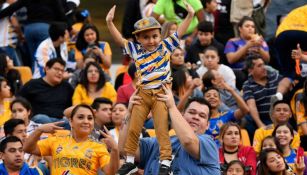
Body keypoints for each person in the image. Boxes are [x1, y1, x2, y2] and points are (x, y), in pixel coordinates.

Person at [106, 3, 195, 174]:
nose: (151, 40)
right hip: (142, 94)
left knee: (161, 128)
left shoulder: (165, 47)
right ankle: (130, 161)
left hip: (161, 95)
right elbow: (119, 40)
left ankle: (166, 162)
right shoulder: (136, 51)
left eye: (154, 36)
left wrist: (190, 15)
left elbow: (180, 32)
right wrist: (110, 23)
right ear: (138, 39)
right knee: (134, 127)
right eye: (146, 37)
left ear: (159, 35)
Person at [118, 86, 220, 174]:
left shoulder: (209, 144)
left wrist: (171, 106)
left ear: (207, 125)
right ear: (182, 115)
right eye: (192, 112)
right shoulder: (156, 143)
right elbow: (124, 149)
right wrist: (131, 113)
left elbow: (189, 141)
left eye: (202, 116)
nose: (196, 117)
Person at [23, 104, 119, 175]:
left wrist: (115, 150)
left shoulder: (98, 147)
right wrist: (39, 130)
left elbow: (111, 172)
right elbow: (27, 148)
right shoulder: (57, 140)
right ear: (71, 121)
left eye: (90, 118)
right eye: (80, 117)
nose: (86, 121)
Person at [17, 58, 74, 127]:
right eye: (56, 69)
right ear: (46, 69)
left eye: (62, 70)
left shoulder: (67, 87)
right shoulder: (33, 84)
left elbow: (73, 106)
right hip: (40, 121)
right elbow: (18, 101)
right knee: (41, 118)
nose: (60, 73)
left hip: (61, 121)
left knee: (73, 122)